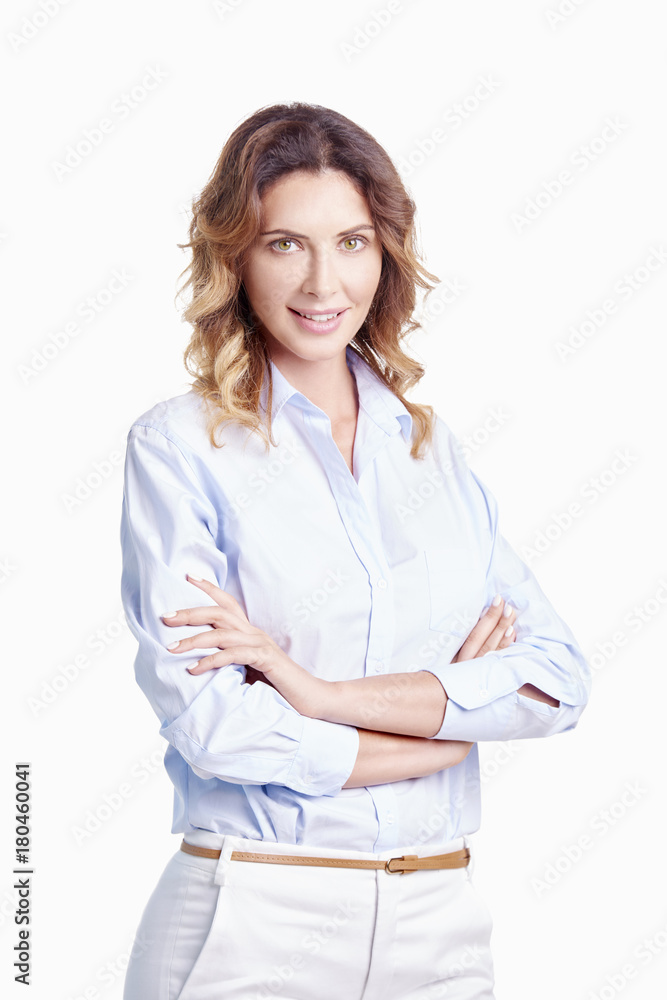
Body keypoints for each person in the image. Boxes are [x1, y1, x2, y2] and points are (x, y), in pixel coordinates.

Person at [119, 102, 591, 999]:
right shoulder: (180, 446)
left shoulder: (428, 449)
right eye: (284, 244)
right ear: (236, 257)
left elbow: (557, 678)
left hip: (441, 917)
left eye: (353, 241)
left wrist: (316, 694)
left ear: (387, 255)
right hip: (254, 916)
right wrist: (442, 731)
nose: (321, 281)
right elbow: (214, 725)